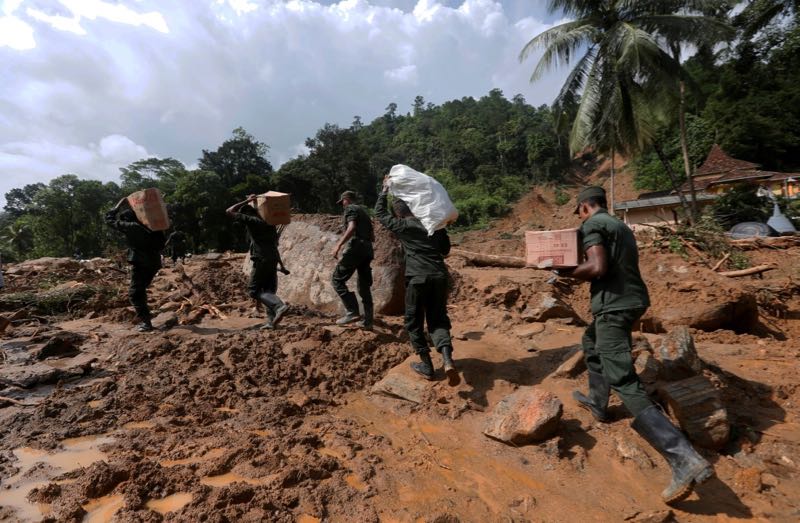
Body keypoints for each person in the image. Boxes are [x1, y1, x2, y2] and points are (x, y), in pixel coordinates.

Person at [560, 186, 713, 504]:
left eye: (579, 211)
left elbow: (597, 268)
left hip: (614, 306)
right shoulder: (619, 225)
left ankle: (683, 458)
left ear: (585, 207)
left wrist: (563, 272)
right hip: (631, 300)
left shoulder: (592, 225)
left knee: (624, 379)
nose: (580, 216)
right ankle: (598, 403)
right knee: (591, 341)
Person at [374, 179, 458, 384]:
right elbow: (446, 251)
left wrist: (384, 192)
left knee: (414, 322)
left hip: (418, 279)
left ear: (399, 213)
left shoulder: (402, 225)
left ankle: (427, 365)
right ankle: (447, 360)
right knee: (438, 318)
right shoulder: (434, 224)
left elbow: (380, 214)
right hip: (439, 276)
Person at [227, 195, 289, 330]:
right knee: (268, 291)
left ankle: (279, 306)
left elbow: (229, 211)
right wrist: (282, 266)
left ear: (246, 213)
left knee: (254, 291)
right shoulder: (270, 224)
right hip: (272, 259)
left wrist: (248, 201)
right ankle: (271, 323)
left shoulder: (252, 221)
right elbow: (274, 246)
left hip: (261, 259)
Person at [105, 199, 166, 332]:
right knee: (141, 289)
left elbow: (110, 221)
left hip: (141, 263)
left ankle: (146, 323)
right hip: (154, 262)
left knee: (135, 293)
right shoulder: (152, 227)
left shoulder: (132, 227)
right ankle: (146, 315)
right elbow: (162, 244)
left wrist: (113, 211)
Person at [331, 190, 375, 330]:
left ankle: (352, 312)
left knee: (337, 280)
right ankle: (368, 322)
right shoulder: (364, 212)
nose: (342, 205)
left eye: (342, 202)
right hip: (367, 249)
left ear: (347, 200)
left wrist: (338, 245)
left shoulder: (351, 208)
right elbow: (372, 236)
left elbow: (351, 227)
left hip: (356, 248)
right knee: (364, 286)